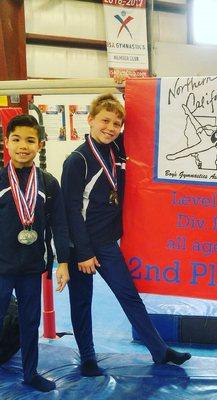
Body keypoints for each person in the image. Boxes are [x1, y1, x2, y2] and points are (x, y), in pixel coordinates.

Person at [61, 93, 191, 377]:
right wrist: (83, 252)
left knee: (129, 296)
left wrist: (130, 93)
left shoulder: (114, 150)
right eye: (105, 121)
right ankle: (87, 357)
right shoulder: (77, 160)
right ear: (90, 120)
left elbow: (141, 123)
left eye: (117, 123)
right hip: (80, 246)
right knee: (81, 302)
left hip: (106, 242)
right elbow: (70, 210)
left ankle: (160, 350)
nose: (111, 128)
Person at [0, 114, 70, 392]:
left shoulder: (48, 184)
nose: (23, 146)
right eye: (16, 139)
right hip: (1, 267)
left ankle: (31, 373)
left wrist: (63, 261)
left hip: (31, 268)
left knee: (30, 322)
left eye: (30, 140)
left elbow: (60, 225)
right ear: (6, 142)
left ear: (39, 144)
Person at [166, 104, 217, 170]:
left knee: (189, 150)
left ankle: (174, 156)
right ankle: (189, 113)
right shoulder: (216, 128)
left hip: (207, 144)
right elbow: (209, 127)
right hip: (206, 138)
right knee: (197, 125)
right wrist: (202, 128)